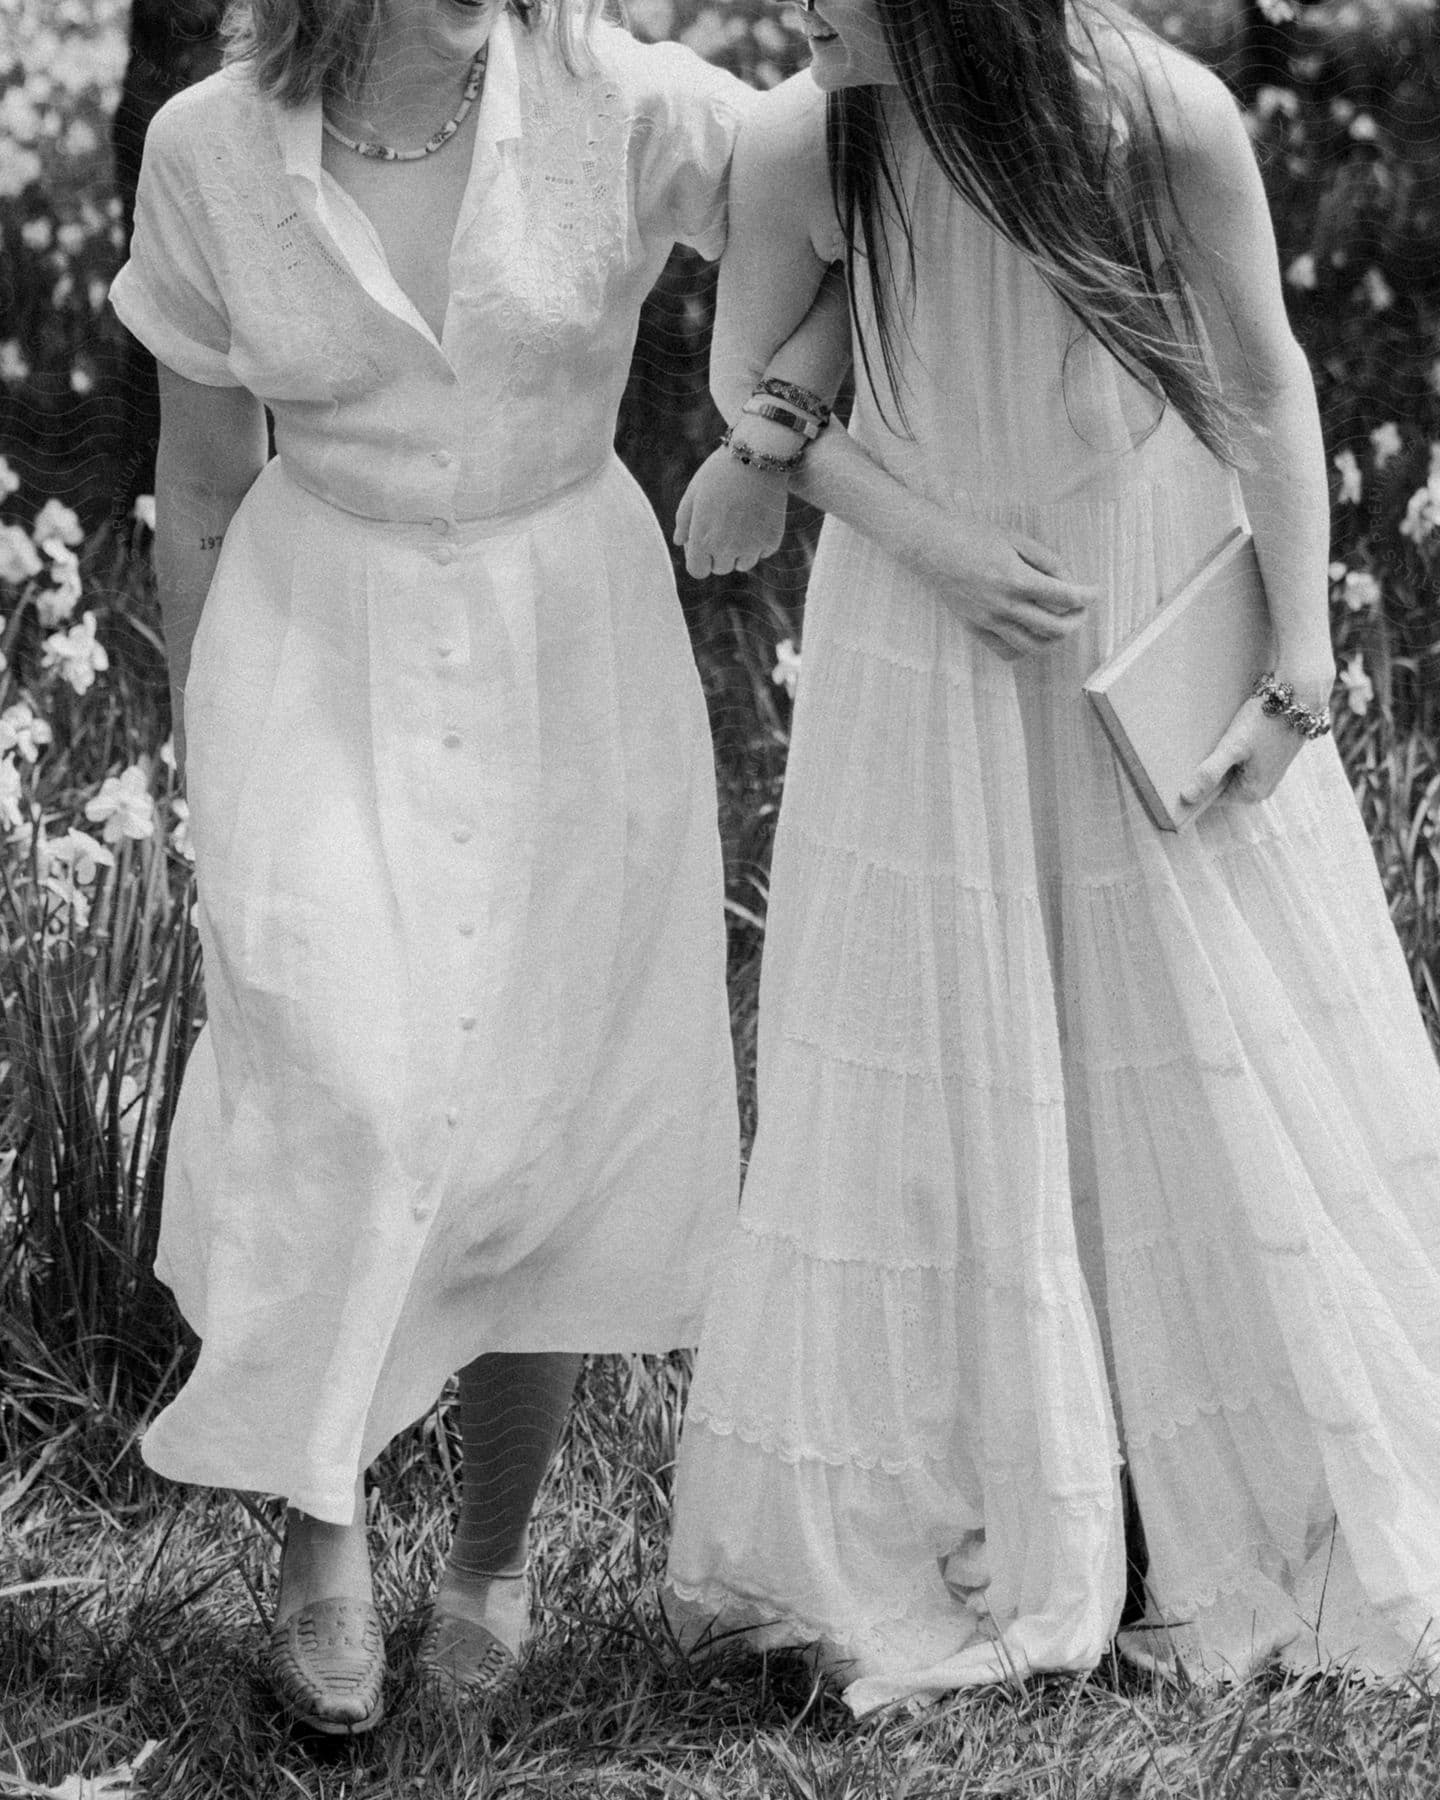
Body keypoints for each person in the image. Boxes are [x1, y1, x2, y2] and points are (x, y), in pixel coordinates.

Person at [663, 0, 1440, 1714]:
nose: (800, 10)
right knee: (951, 1032)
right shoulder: (814, 131)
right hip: (930, 616)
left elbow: (1258, 379)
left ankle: (1213, 1486)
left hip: (1140, 588)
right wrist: (925, 535)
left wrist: (1297, 659)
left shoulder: (1155, 115)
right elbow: (749, 370)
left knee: (1191, 1009)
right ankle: (1004, 1481)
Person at [108, 0, 754, 1736]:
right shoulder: (212, 149)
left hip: (571, 638)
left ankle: (488, 1564)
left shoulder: (625, 103)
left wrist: (781, 436)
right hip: (316, 638)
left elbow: (854, 187)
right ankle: (322, 1550)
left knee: (540, 1109)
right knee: (343, 1083)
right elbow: (196, 481)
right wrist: (208, 750)